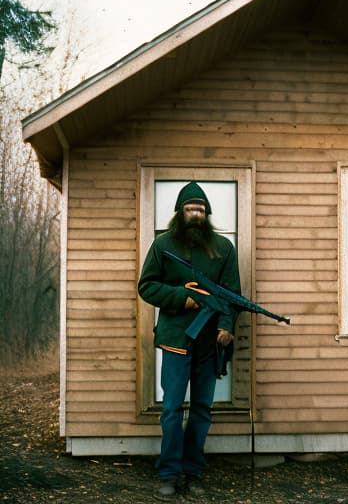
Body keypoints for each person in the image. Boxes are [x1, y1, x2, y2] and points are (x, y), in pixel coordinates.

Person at [138, 181, 240, 500]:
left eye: (200, 209)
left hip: (210, 341)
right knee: (171, 409)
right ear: (180, 213)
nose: (195, 214)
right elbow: (147, 286)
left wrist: (226, 325)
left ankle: (193, 471)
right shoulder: (163, 245)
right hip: (175, 339)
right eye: (189, 209)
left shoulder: (223, 248)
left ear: (206, 214)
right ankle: (168, 472)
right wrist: (184, 297)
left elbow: (232, 294)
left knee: (201, 409)